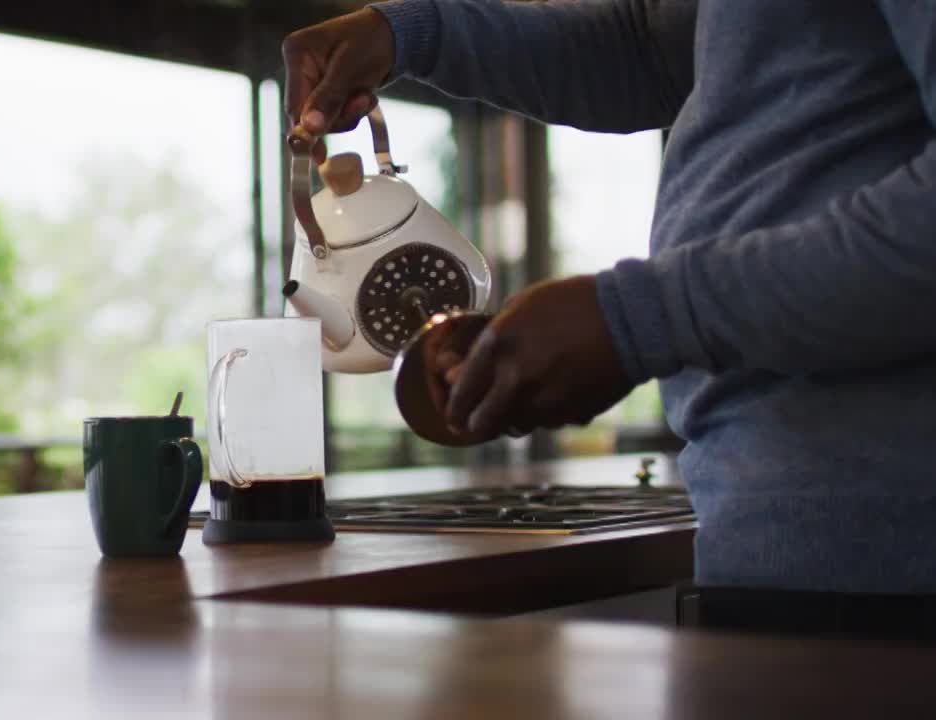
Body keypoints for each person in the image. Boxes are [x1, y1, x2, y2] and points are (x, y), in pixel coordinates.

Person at [283, 0, 936, 641]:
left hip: (888, 561)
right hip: (781, 535)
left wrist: (640, 317)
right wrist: (413, 33)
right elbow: (655, 48)